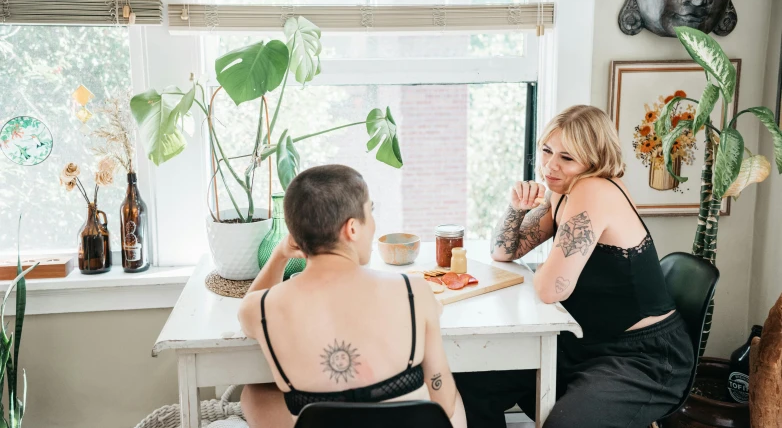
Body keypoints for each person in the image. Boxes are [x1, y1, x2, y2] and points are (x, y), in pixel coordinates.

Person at [454, 105, 694, 428]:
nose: (550, 166)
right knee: (476, 381)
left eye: (567, 158)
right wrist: (516, 209)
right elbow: (502, 251)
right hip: (586, 343)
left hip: (645, 358)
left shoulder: (592, 190)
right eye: (547, 150)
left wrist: (549, 268)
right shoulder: (562, 193)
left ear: (593, 162)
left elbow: (550, 288)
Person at [238, 164, 466, 428]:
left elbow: (247, 308)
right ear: (352, 229)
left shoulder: (260, 309)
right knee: (453, 398)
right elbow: (443, 399)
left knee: (253, 394)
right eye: (370, 211)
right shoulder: (414, 292)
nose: (374, 223)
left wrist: (279, 255)